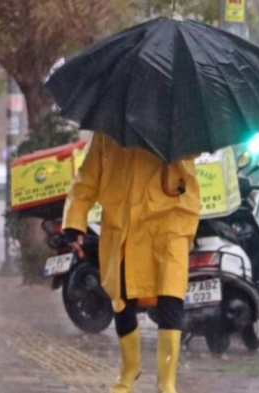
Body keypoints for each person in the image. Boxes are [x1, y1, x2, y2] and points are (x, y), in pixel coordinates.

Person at [62, 133, 200, 393]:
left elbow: (194, 153)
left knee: (171, 299)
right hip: (123, 227)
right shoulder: (108, 132)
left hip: (169, 225)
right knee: (121, 302)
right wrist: (74, 221)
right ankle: (129, 370)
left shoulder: (176, 121)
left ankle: (166, 382)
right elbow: (87, 178)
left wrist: (173, 141)